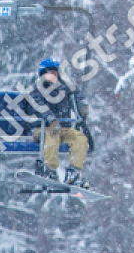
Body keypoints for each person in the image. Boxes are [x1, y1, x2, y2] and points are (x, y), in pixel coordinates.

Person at [25, 57, 94, 188]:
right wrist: (51, 120)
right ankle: (50, 169)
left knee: (79, 139)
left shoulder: (65, 88)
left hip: (62, 129)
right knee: (50, 138)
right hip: (42, 128)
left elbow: (77, 96)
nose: (53, 76)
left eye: (55, 73)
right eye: (50, 73)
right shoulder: (36, 90)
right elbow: (39, 107)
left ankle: (73, 172)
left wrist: (82, 107)